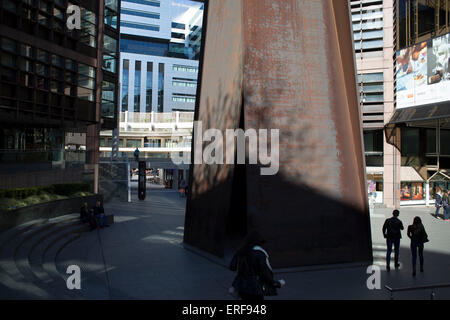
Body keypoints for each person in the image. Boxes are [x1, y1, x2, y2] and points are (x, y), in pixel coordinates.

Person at [229, 230, 285, 301]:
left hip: (241, 286)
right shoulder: (259, 253)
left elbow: (232, 267)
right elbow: (264, 273)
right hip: (255, 289)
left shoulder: (241, 251)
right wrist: (276, 283)